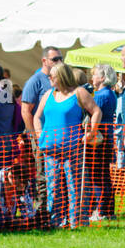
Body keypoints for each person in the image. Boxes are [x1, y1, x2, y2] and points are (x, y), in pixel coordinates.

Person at [35, 60, 101, 229]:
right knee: (53, 187)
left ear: (62, 77)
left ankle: (77, 222)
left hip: (73, 149)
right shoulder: (48, 94)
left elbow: (96, 112)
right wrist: (39, 135)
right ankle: (56, 222)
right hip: (49, 150)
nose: (49, 78)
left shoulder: (79, 93)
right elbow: (37, 116)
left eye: (53, 76)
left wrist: (91, 132)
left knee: (75, 186)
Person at [85, 64, 118, 221]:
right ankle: (107, 209)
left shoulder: (100, 95)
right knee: (103, 175)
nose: (92, 77)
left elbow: (88, 111)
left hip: (98, 139)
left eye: (95, 75)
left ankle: (101, 209)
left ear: (103, 77)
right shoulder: (110, 94)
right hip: (105, 137)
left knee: (96, 175)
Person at [20, 46, 63, 136]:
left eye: (60, 59)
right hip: (43, 135)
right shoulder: (34, 81)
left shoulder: (61, 79)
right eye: (55, 59)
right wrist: (34, 137)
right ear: (44, 61)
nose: (59, 62)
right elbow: (25, 111)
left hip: (59, 134)